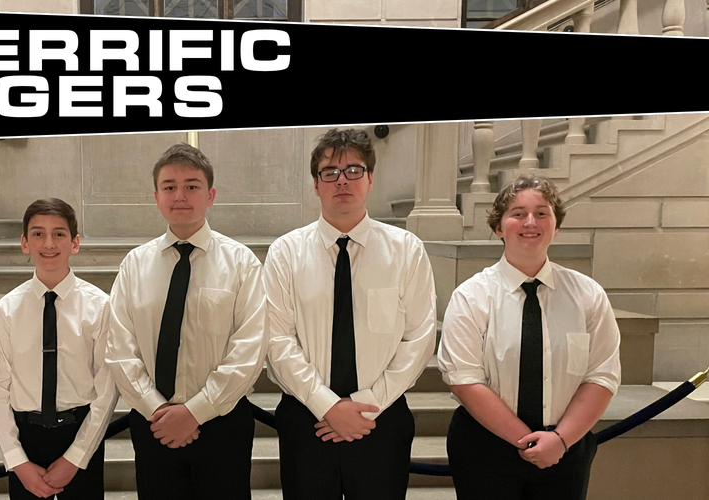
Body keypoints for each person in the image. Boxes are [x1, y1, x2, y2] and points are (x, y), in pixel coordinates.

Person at [263, 128, 438, 500]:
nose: (342, 180)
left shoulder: (406, 250)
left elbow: (419, 338)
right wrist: (327, 405)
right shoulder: (285, 253)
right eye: (330, 172)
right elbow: (277, 340)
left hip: (382, 418)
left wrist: (366, 406)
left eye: (354, 170)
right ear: (316, 184)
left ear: (371, 179)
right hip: (306, 417)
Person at [438, 174, 620, 500]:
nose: (530, 222)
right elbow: (464, 379)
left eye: (542, 213)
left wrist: (559, 441)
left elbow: (602, 375)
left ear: (556, 225)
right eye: (518, 213)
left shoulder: (587, 294)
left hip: (565, 448)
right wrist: (529, 441)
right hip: (486, 446)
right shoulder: (472, 296)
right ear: (499, 226)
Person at [105, 143, 266, 499]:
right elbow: (119, 349)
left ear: (210, 195)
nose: (180, 195)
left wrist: (195, 412)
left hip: (222, 421)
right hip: (153, 423)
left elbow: (250, 350)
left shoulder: (242, 263)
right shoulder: (134, 265)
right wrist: (158, 410)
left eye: (192, 186)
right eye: (169, 186)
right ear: (156, 196)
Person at [0, 198, 118, 500]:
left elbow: (107, 386)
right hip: (26, 435)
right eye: (38, 234)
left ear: (75, 242)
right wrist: (17, 461)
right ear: (24, 243)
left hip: (80, 430)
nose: (48, 243)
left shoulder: (99, 306)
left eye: (59, 233)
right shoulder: (7, 309)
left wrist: (77, 457)